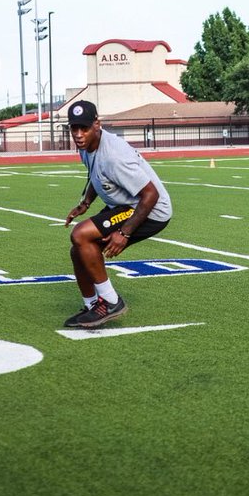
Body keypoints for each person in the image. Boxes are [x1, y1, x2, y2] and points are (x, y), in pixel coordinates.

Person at [62, 100, 173, 328]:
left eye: (84, 128)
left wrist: (124, 232)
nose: (79, 134)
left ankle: (111, 302)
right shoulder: (87, 147)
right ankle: (93, 306)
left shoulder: (114, 156)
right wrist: (85, 203)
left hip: (150, 209)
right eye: (74, 128)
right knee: (79, 251)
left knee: (80, 234)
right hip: (124, 205)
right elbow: (96, 174)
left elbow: (150, 195)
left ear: (97, 125)